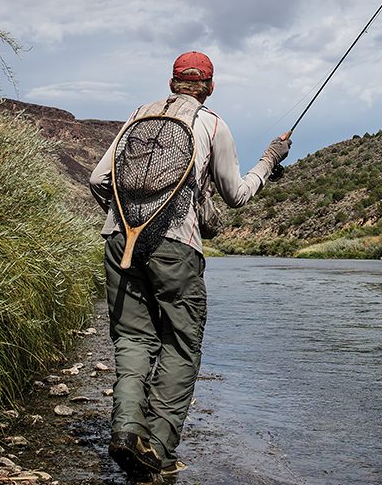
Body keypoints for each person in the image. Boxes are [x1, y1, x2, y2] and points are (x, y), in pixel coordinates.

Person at [89, 51, 291, 477]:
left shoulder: (138, 115)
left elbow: (97, 180)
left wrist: (127, 217)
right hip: (176, 245)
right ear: (210, 87)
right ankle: (157, 452)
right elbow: (235, 195)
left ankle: (126, 430)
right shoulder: (213, 123)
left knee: (131, 340)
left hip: (117, 239)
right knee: (181, 344)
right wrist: (270, 160)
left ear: (172, 82)